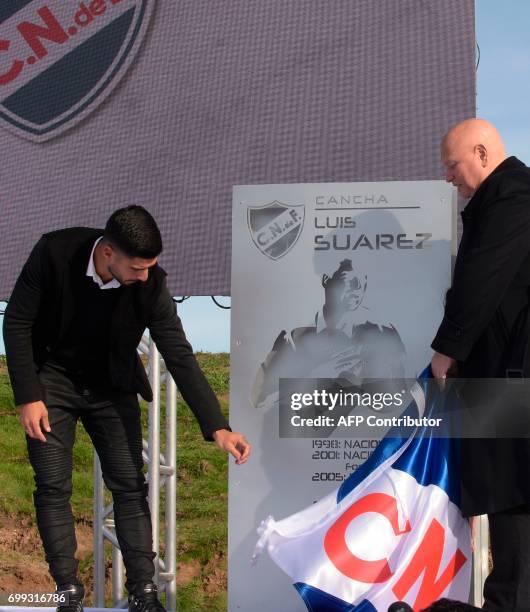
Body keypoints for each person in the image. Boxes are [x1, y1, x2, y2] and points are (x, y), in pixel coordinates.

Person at [3, 206, 251, 612]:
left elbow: (178, 353)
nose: (144, 276)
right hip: (50, 383)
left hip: (112, 385)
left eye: (150, 267)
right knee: (52, 487)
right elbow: (15, 322)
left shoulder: (152, 285)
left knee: (129, 486)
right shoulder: (53, 252)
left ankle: (144, 591)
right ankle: (66, 591)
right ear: (107, 255)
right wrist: (28, 396)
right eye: (137, 268)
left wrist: (217, 427)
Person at [431, 118, 530, 611]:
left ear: (483, 154)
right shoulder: (505, 199)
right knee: (509, 495)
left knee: (514, 496)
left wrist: (448, 347)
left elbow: (482, 279)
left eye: (453, 165)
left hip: (514, 376)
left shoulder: (512, 197)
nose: (449, 177)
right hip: (507, 375)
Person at [251, 258, 406, 410]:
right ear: (326, 279)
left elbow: (401, 399)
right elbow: (260, 402)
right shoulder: (295, 337)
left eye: (362, 281)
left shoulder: (384, 334)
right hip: (307, 433)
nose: (358, 288)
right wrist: (321, 377)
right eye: (350, 281)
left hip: (371, 430)